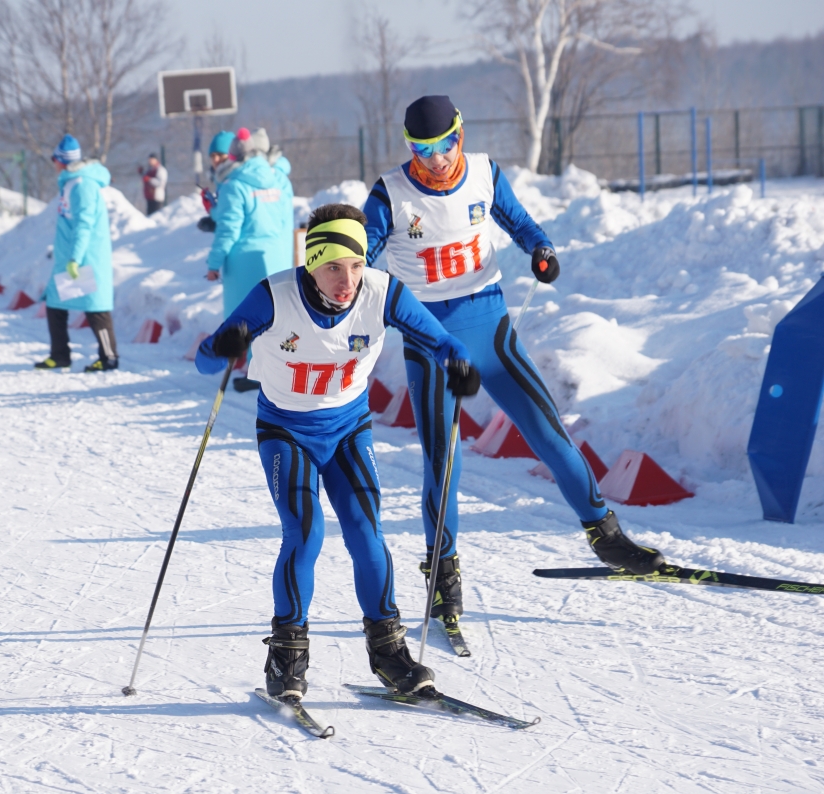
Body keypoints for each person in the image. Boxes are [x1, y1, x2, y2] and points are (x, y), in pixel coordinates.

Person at [362, 94, 664, 637]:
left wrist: (542, 251)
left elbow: (521, 223)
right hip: (431, 341)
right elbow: (362, 253)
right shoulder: (390, 193)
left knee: (549, 433)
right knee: (443, 463)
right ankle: (442, 576)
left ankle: (607, 537)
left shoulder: (483, 173)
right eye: (423, 150)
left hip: (491, 328)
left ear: (462, 133)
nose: (436, 160)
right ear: (409, 148)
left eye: (446, 144)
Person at [195, 203, 480, 699]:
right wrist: (226, 343)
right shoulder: (274, 296)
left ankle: (389, 651)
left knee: (367, 533)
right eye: (332, 267)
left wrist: (458, 362)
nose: (346, 279)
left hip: (349, 429)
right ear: (311, 263)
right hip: (287, 431)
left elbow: (439, 340)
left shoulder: (382, 291)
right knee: (305, 533)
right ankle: (287, 655)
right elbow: (204, 360)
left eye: (355, 265)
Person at [206, 128, 294, 391]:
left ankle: (258, 373)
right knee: (276, 314)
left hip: (245, 262)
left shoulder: (235, 185)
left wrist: (213, 263)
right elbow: (284, 217)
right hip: (277, 256)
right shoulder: (279, 178)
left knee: (249, 318)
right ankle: (278, 370)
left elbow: (228, 230)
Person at [35, 134, 119, 373]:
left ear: (61, 160)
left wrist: (75, 258)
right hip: (72, 258)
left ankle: (109, 357)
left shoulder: (82, 185)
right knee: (55, 303)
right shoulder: (72, 183)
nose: (53, 163)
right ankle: (60, 355)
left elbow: (84, 224)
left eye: (54, 158)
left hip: (84, 259)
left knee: (95, 308)